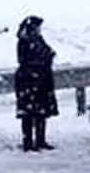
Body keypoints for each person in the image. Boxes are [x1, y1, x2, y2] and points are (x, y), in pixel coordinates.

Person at [14, 15, 58, 152]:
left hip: (41, 80)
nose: (39, 30)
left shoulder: (38, 40)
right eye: (37, 27)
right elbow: (25, 60)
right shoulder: (24, 41)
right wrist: (41, 63)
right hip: (29, 81)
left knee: (41, 113)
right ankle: (28, 142)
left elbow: (48, 52)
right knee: (28, 114)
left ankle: (40, 140)